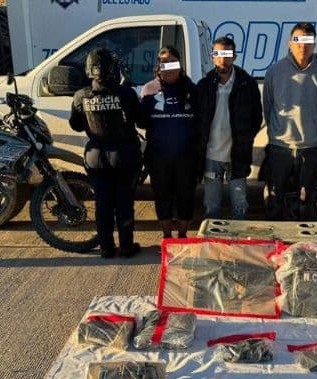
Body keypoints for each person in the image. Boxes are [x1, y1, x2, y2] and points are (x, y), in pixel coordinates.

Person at [69, 48, 142, 258]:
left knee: (102, 204)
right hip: (124, 155)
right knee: (124, 203)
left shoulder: (80, 95)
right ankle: (126, 246)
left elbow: (75, 125)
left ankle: (106, 248)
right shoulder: (126, 93)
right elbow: (141, 120)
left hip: (96, 157)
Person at [262, 22, 317, 221]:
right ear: (290, 43)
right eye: (298, 40)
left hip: (310, 148)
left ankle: (302, 238)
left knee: (306, 201)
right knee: (274, 200)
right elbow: (268, 107)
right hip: (279, 147)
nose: (303, 45)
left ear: (314, 45)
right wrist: (277, 134)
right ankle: (275, 238)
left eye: (307, 41)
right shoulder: (275, 71)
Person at [196, 36, 262, 220]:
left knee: (240, 207)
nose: (222, 59)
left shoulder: (247, 84)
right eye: (218, 54)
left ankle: (239, 239)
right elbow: (198, 120)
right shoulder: (204, 86)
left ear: (234, 56)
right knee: (212, 207)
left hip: (237, 156)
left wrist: (245, 139)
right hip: (211, 156)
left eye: (226, 54)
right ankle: (212, 238)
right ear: (212, 57)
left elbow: (257, 117)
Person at [139, 46, 198, 239]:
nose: (169, 67)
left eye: (173, 63)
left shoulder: (192, 90)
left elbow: (201, 121)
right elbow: (142, 121)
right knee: (162, 196)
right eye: (164, 63)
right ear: (158, 67)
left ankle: (182, 235)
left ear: (180, 65)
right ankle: (166, 236)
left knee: (186, 196)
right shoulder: (149, 90)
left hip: (187, 157)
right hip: (158, 157)